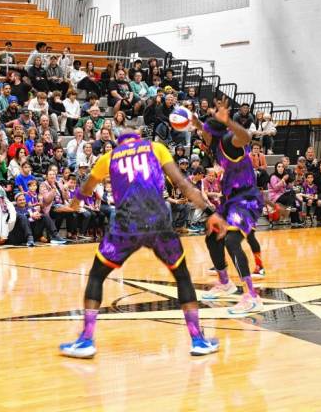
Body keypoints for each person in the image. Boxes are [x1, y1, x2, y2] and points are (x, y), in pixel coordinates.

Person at [59, 131, 225, 359]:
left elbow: (86, 189)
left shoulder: (109, 156)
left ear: (121, 143)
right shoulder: (156, 148)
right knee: (182, 276)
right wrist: (211, 212)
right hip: (159, 222)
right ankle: (197, 339)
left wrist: (74, 203)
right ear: (138, 139)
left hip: (126, 224)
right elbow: (183, 184)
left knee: (97, 276)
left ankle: (86, 339)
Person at [191, 98, 265, 312]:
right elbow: (203, 128)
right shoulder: (213, 143)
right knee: (212, 235)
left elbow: (246, 136)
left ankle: (251, 296)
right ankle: (225, 283)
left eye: (204, 131)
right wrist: (194, 121)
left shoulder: (229, 141)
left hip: (247, 199)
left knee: (232, 240)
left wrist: (229, 121)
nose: (201, 134)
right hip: (230, 200)